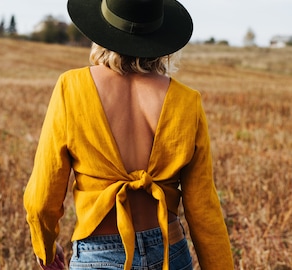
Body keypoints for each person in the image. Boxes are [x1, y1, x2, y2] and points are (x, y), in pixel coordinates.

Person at [23, 0, 234, 269]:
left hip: (99, 256)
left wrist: (46, 247)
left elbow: (42, 197)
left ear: (102, 31)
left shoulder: (71, 88)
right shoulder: (187, 101)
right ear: (161, 37)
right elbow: (203, 207)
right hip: (170, 252)